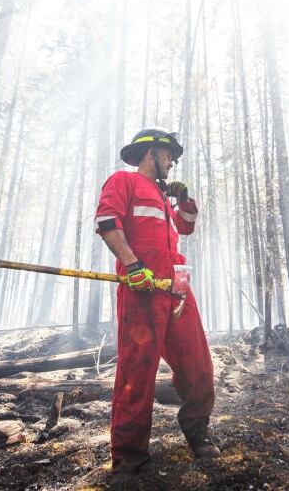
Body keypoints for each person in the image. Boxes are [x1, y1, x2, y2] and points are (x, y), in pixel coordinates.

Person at [94, 128, 219, 483]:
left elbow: (187, 228)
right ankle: (129, 460)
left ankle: (196, 427)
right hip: (141, 290)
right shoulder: (124, 182)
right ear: (150, 152)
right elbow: (107, 223)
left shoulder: (165, 197)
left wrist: (184, 200)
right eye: (168, 156)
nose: (172, 162)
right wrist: (132, 265)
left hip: (176, 290)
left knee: (198, 365)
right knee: (136, 374)